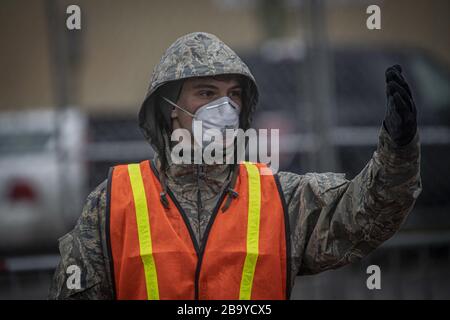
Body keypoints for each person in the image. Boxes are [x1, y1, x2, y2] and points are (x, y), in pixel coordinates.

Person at [49, 32, 421, 300]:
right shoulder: (114, 201)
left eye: (234, 95)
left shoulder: (279, 197)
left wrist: (397, 149)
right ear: (169, 111)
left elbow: (363, 214)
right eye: (207, 93)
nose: (225, 109)